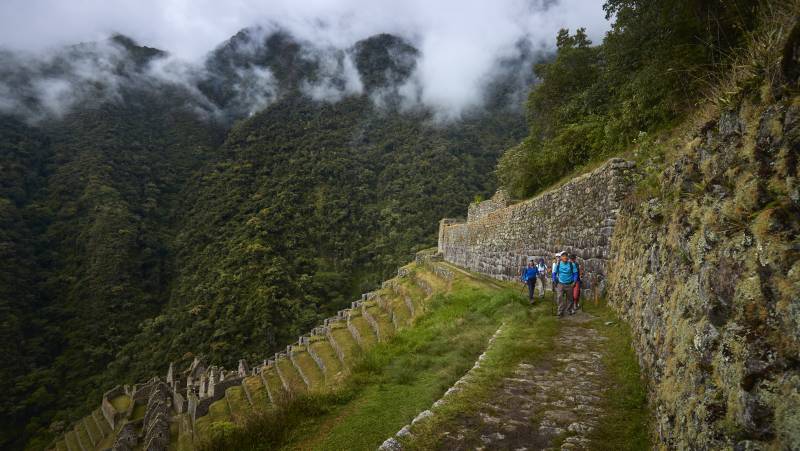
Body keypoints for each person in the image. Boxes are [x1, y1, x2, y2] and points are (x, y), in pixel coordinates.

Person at [552, 252, 578, 316]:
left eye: (566, 256)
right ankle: (560, 311)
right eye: (563, 256)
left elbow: (575, 273)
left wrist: (574, 282)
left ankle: (568, 310)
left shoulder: (572, 264)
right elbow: (554, 273)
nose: (565, 257)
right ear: (561, 257)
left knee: (570, 298)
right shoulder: (558, 264)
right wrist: (554, 279)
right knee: (559, 297)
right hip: (560, 284)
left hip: (570, 284)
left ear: (567, 257)